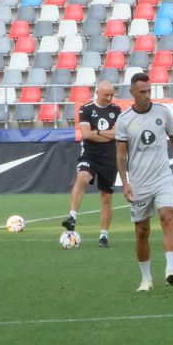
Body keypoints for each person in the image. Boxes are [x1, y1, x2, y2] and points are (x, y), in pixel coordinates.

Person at [115, 73, 173, 291]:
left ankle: (170, 270)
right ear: (132, 92)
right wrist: (125, 182)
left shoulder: (162, 113)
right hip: (139, 182)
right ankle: (146, 279)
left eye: (149, 91)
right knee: (141, 231)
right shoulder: (124, 120)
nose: (147, 95)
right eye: (142, 92)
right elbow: (121, 156)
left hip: (162, 178)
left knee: (167, 217)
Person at [62, 81, 122, 247]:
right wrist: (107, 135)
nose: (110, 97)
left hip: (109, 158)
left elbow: (117, 133)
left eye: (112, 94)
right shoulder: (86, 109)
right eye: (106, 94)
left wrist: (100, 133)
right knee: (82, 178)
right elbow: (87, 135)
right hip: (90, 154)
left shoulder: (116, 110)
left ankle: (104, 236)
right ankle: (72, 217)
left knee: (107, 198)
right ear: (97, 92)